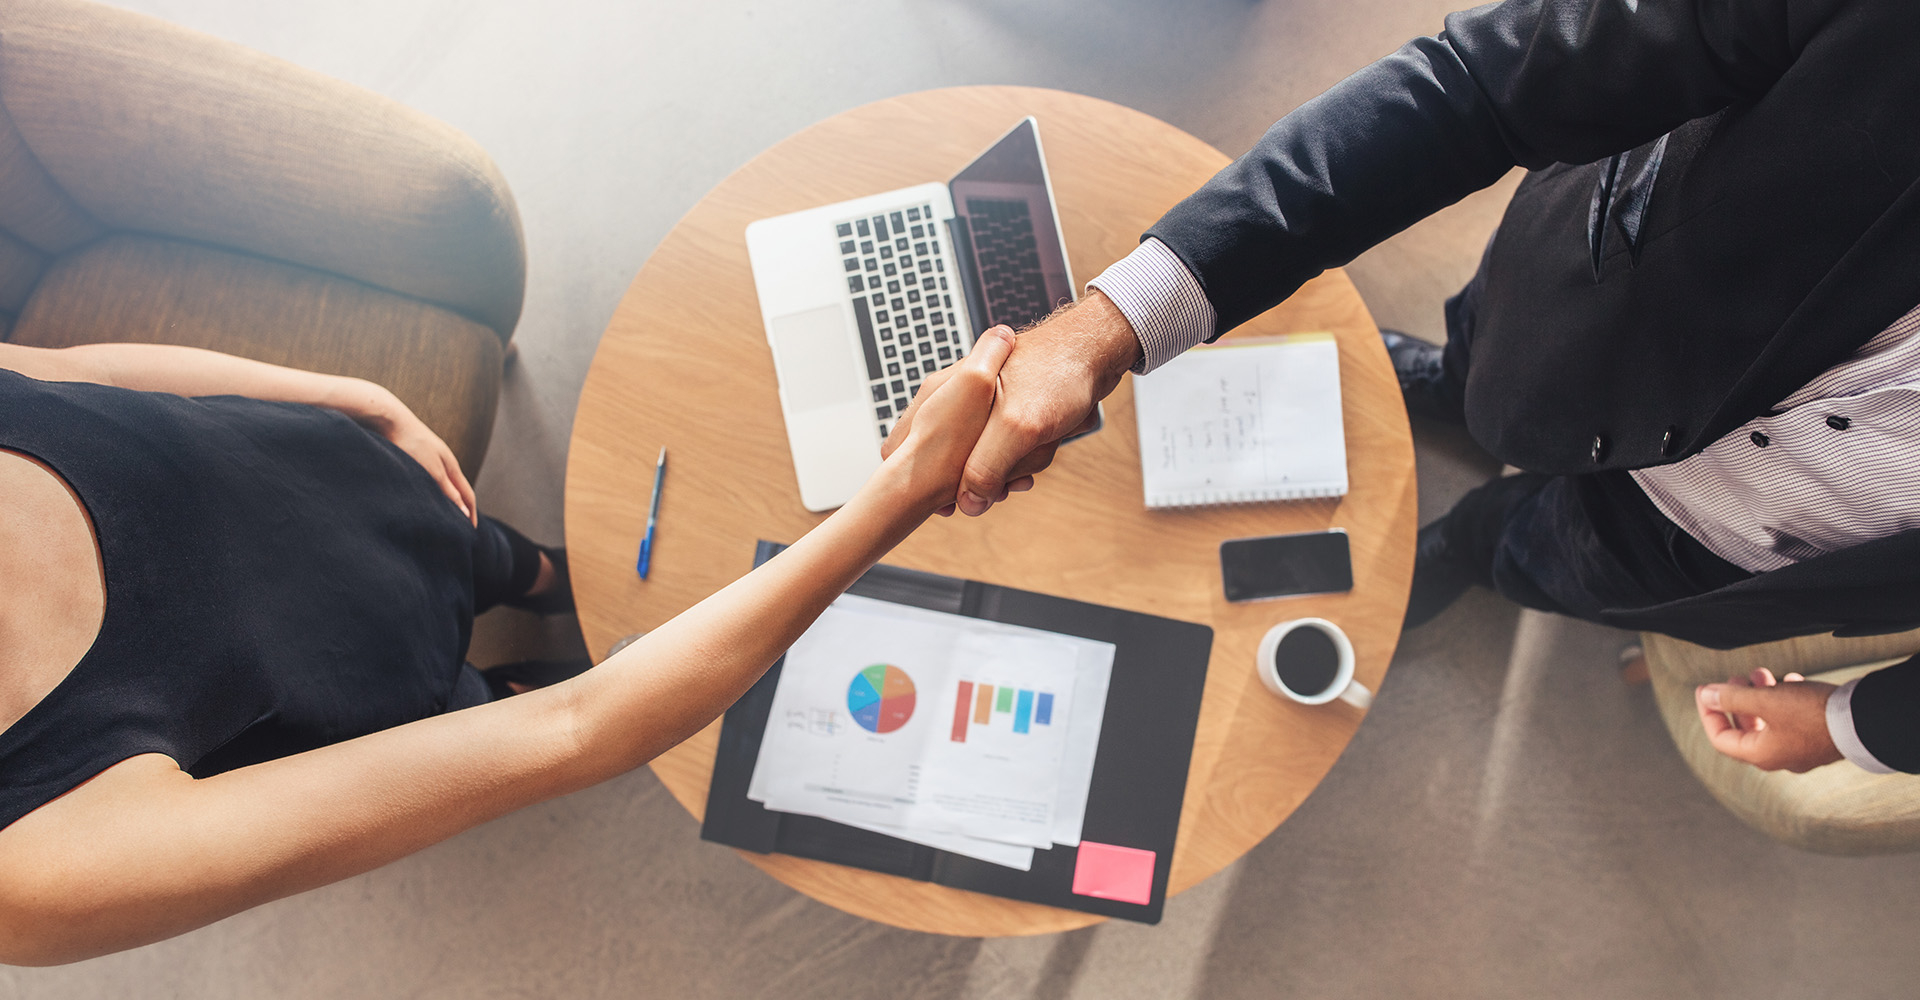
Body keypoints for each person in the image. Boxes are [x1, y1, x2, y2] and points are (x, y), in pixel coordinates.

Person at [887, 0, 1920, 777]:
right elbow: (1485, 84)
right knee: (1483, 372)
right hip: (1600, 309)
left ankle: (1475, 548)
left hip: (1742, 552)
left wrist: (1848, 728)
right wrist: (1112, 321)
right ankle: (1456, 381)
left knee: (1538, 555)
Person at [0, 327, 1019, 965]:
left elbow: (76, 370)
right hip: (376, 696)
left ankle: (538, 575)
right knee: (505, 700)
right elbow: (576, 727)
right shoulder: (31, 866)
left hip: (351, 491)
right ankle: (507, 661)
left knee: (495, 554)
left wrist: (332, 394)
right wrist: (898, 496)